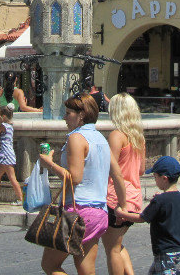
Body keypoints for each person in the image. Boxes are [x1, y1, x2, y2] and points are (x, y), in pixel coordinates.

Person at [38, 93, 127, 275]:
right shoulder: (101, 138)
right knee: (86, 270)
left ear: (82, 114)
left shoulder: (76, 138)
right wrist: (122, 206)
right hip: (99, 213)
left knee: (50, 265)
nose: (64, 117)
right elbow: (117, 174)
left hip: (78, 211)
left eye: (69, 112)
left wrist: (49, 164)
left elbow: (74, 178)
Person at [114, 156, 180, 275]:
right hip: (177, 248)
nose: (155, 180)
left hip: (165, 251)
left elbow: (142, 218)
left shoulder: (160, 200)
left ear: (164, 178)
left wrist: (122, 213)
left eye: (155, 177)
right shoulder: (179, 198)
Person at [101, 93, 145, 275]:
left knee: (112, 248)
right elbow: (141, 170)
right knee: (118, 244)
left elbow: (110, 168)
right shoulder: (138, 137)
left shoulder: (116, 135)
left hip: (116, 197)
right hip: (134, 196)